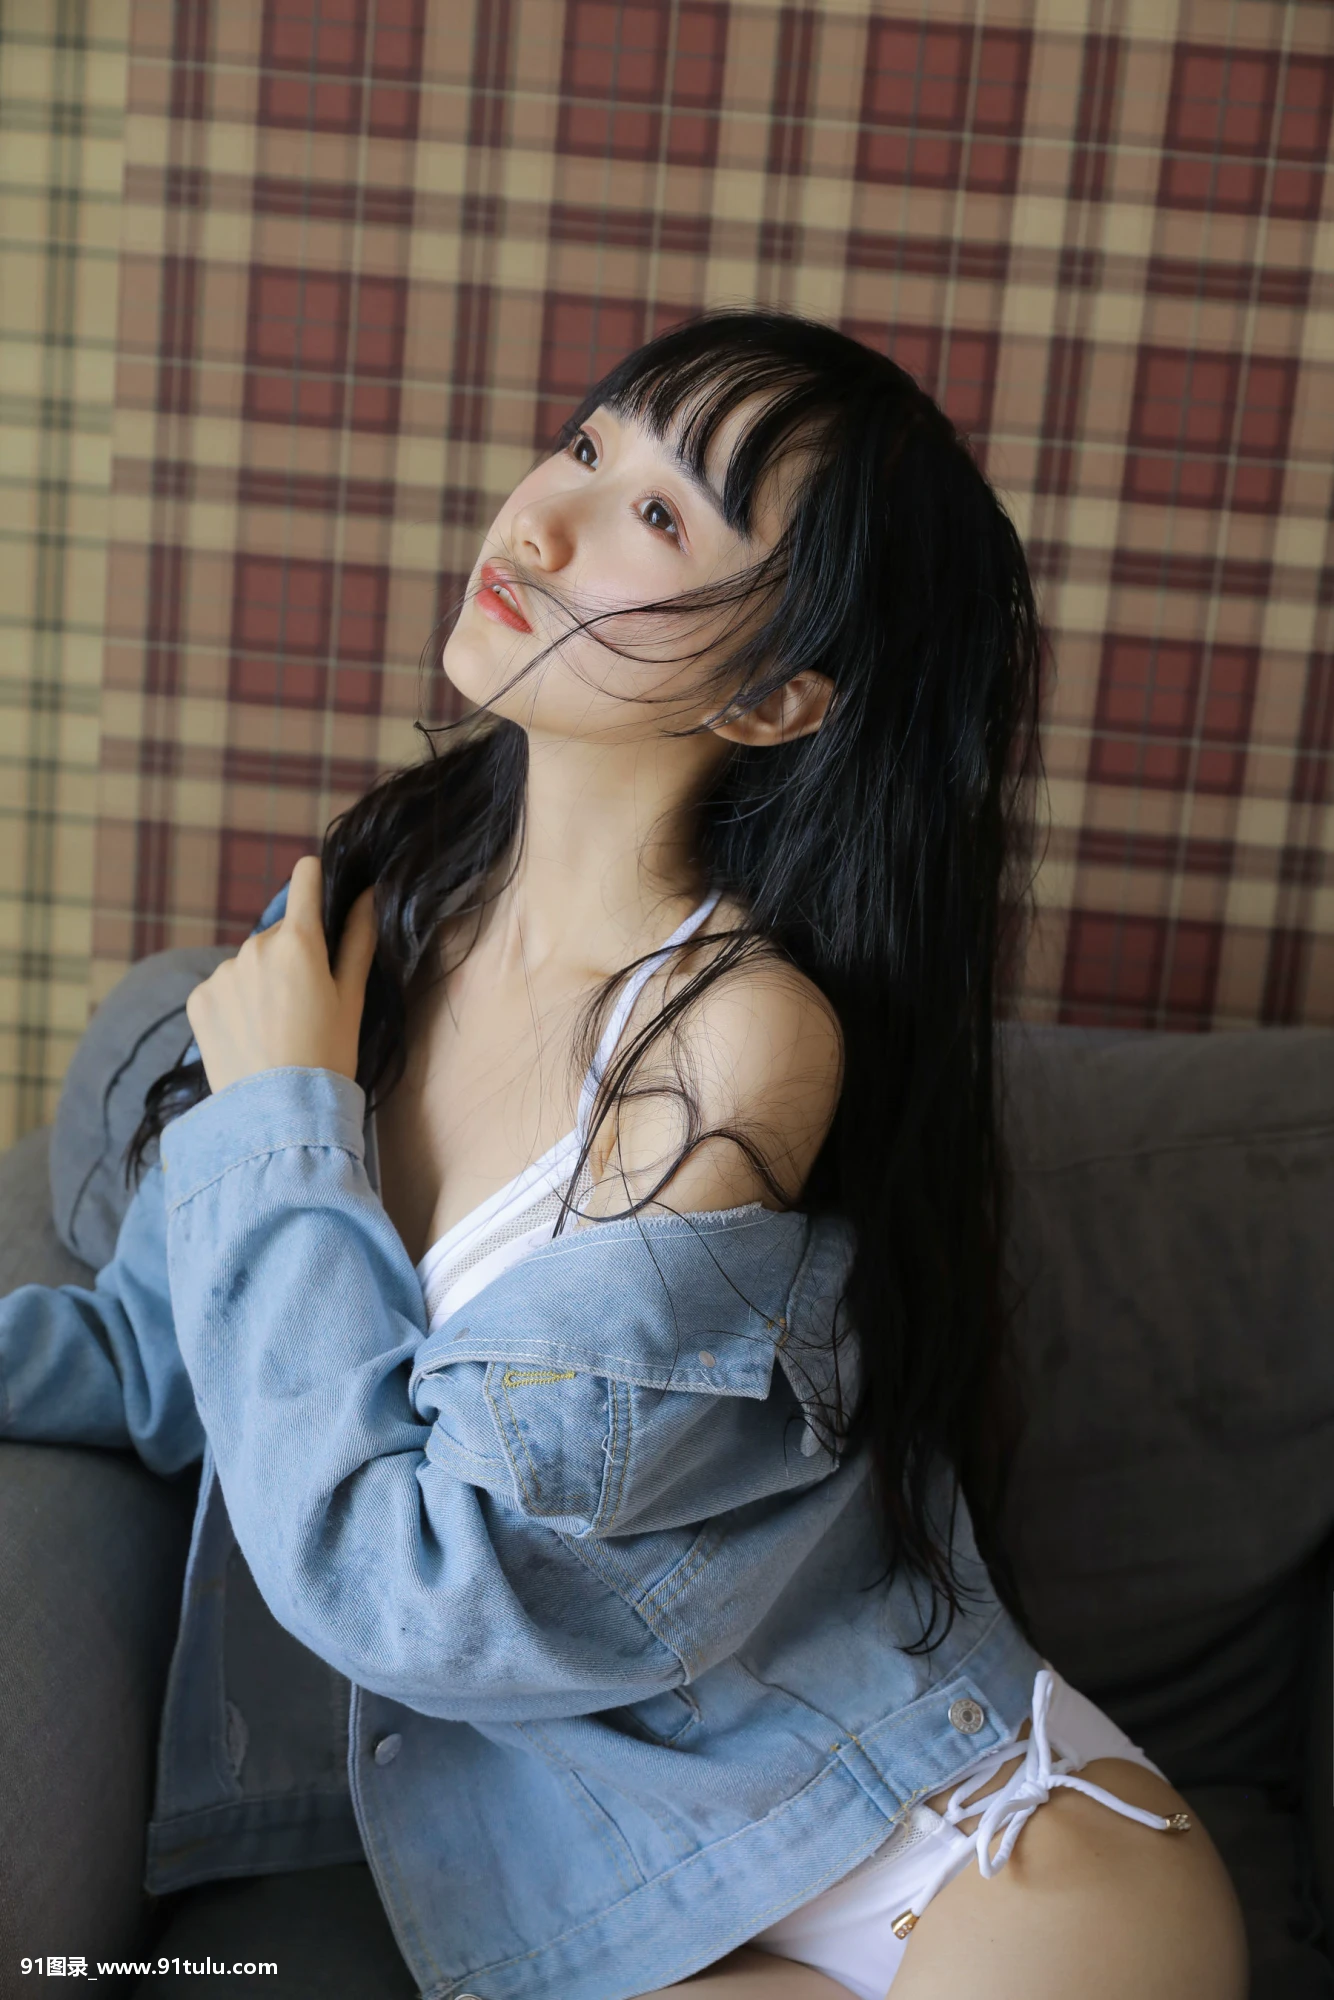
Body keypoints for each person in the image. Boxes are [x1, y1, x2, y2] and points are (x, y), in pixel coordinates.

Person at [0, 310, 1244, 1999]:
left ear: (775, 696)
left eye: (659, 513)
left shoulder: (734, 1036)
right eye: (587, 445)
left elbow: (434, 1594)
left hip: (964, 1869)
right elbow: (176, 1363)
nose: (542, 520)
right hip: (619, 1894)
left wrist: (284, 1115)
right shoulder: (373, 927)